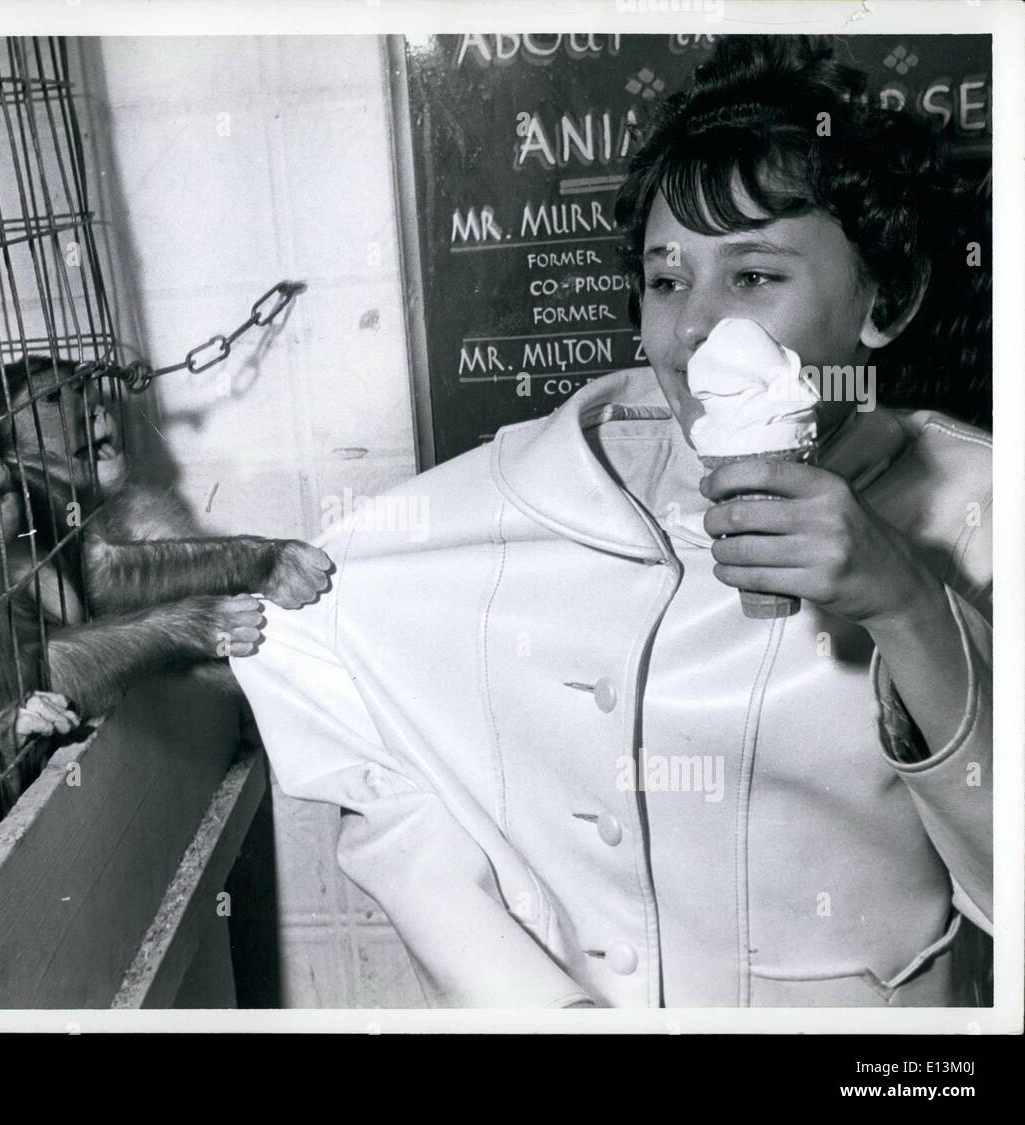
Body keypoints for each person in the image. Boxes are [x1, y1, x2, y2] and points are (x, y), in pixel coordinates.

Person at [229, 37, 992, 1008]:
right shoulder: (507, 500)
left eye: (754, 277)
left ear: (886, 299)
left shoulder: (981, 511)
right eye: (666, 280)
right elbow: (382, 767)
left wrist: (908, 607)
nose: (692, 330)